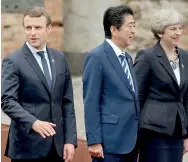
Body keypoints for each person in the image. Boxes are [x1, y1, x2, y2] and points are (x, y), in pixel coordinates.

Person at [1, 6, 77, 162]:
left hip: (57, 148)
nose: (32, 32)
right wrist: (33, 122)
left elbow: (67, 102)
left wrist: (70, 140)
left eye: (37, 27)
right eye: (28, 27)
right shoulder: (13, 61)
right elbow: (7, 101)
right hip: (27, 148)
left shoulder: (60, 58)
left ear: (48, 29)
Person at [82, 4, 139, 162]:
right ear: (114, 29)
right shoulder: (97, 57)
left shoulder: (127, 58)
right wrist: (94, 141)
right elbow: (91, 102)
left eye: (134, 26)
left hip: (131, 143)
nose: (134, 31)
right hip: (109, 144)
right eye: (130, 26)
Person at [134, 8, 188, 162]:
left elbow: (186, 98)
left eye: (180, 28)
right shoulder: (147, 57)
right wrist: (135, 135)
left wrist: (186, 134)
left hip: (177, 131)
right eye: (173, 29)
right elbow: (137, 96)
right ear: (159, 33)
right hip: (153, 131)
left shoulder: (185, 56)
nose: (178, 33)